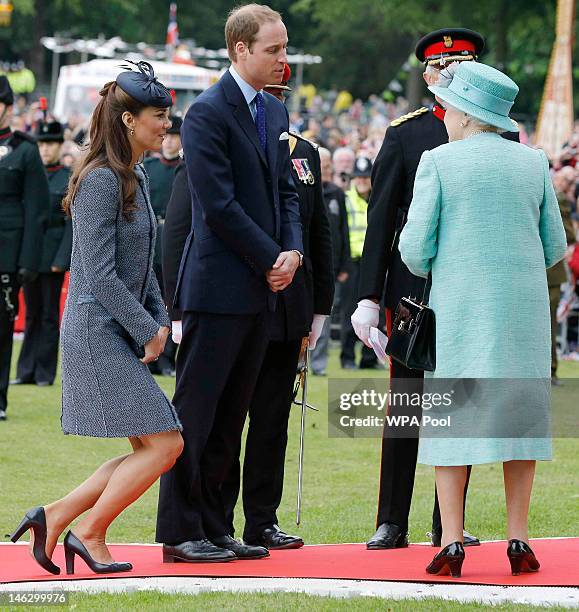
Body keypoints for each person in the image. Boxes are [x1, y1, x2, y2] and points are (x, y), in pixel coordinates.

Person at [9, 61, 184, 576]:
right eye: (159, 115)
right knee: (166, 443)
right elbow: (101, 276)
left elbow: (144, 265)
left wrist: (158, 319)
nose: (166, 124)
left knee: (149, 445)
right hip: (93, 332)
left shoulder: (135, 175)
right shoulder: (102, 180)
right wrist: (145, 327)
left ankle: (56, 515)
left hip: (115, 330)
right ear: (129, 120)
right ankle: (88, 532)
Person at [399, 61, 566, 577]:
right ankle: (518, 538)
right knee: (520, 424)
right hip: (522, 315)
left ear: (468, 116)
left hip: (461, 312)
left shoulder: (439, 162)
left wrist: (447, 263)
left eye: (449, 110)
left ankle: (451, 541)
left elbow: (413, 249)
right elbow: (555, 247)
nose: (444, 118)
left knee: (452, 426)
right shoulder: (534, 163)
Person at [351, 29, 509, 550]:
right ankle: (391, 519)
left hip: (472, 285)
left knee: (461, 402)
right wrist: (368, 296)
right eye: (444, 69)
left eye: (463, 67)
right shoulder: (407, 134)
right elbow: (380, 221)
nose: (453, 76)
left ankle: (450, 524)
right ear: (428, 77)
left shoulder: (499, 136)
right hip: (414, 289)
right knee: (407, 405)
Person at [156, 4, 303, 563]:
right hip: (217, 288)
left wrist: (288, 252)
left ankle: (217, 526)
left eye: (284, 47)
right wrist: (271, 256)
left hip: (260, 289)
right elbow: (216, 205)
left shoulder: (272, 112)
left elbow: (285, 193)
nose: (283, 58)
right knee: (196, 414)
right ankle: (180, 530)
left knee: (231, 417)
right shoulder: (206, 114)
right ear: (240, 49)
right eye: (273, 49)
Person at [221, 65, 334, 549]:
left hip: (289, 308)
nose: (273, 101)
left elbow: (318, 236)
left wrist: (320, 308)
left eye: (279, 94)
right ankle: (217, 521)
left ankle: (262, 520)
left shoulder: (304, 154)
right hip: (239, 303)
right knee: (228, 419)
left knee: (272, 421)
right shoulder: (227, 137)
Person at [0, 75, 48, 421]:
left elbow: (37, 211)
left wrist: (28, 260)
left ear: (7, 108)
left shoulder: (25, 149)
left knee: (2, 329)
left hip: (7, 252)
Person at [14, 121, 71, 387]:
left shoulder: (69, 177)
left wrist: (62, 259)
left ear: (60, 146)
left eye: (50, 144)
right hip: (32, 256)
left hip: (52, 258)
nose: (45, 149)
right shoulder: (30, 174)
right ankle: (26, 370)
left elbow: (72, 224)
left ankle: (44, 372)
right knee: (31, 314)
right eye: (42, 144)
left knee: (49, 315)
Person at [143, 115, 183, 376]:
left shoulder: (186, 168)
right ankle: (148, 350)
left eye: (174, 137)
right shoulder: (148, 167)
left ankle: (168, 356)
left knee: (171, 303)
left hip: (174, 239)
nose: (169, 142)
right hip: (152, 240)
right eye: (166, 136)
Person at [310, 146, 350, 376]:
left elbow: (343, 230)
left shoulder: (337, 194)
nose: (326, 169)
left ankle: (319, 364)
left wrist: (344, 265)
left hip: (331, 268)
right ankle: (298, 362)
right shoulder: (303, 189)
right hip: (307, 265)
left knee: (323, 317)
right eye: (322, 166)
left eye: (327, 166)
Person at [341, 156, 378, 370]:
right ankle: (347, 358)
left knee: (376, 313)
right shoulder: (346, 199)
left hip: (372, 264)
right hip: (352, 265)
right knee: (348, 312)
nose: (362, 180)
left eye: (365, 177)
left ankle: (369, 358)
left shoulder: (378, 198)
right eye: (359, 177)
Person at [550, 167, 577, 384]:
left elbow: (568, 235)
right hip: (549, 273)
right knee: (548, 324)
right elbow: (568, 234)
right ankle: (549, 370)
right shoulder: (557, 198)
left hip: (545, 272)